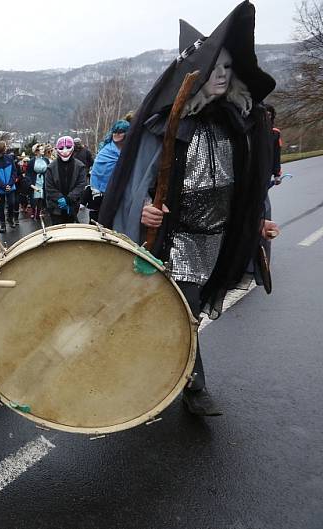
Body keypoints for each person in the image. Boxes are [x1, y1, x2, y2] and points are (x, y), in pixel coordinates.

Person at [99, 1, 280, 416]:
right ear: (193, 75)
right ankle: (192, 386)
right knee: (181, 315)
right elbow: (133, 184)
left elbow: (246, 190)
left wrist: (259, 223)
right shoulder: (166, 126)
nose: (222, 74)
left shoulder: (236, 125)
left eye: (228, 68)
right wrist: (143, 209)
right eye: (215, 66)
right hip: (175, 242)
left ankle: (171, 375)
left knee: (186, 314)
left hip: (219, 238)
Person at [87, 120, 130, 221]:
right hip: (100, 193)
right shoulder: (106, 150)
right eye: (114, 131)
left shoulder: (128, 150)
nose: (116, 134)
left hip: (119, 194)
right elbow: (96, 172)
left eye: (120, 131)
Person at [44, 135, 87, 225]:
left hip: (73, 206)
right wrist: (60, 198)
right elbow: (49, 187)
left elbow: (81, 184)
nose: (65, 151)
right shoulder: (51, 167)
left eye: (68, 147)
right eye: (61, 148)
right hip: (55, 207)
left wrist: (69, 199)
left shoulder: (80, 166)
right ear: (57, 148)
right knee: (57, 232)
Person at [26, 143, 49, 220]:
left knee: (41, 198)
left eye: (43, 149)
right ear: (36, 151)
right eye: (41, 149)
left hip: (43, 180)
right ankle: (33, 211)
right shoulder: (32, 161)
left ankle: (39, 213)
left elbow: (49, 171)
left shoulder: (46, 160)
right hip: (35, 181)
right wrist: (31, 184)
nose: (43, 150)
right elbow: (28, 174)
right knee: (34, 198)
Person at [265, 104, 283, 187]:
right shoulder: (252, 131)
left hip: (266, 172)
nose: (267, 117)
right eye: (264, 114)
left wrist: (277, 175)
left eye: (269, 115)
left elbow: (276, 154)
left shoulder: (276, 133)